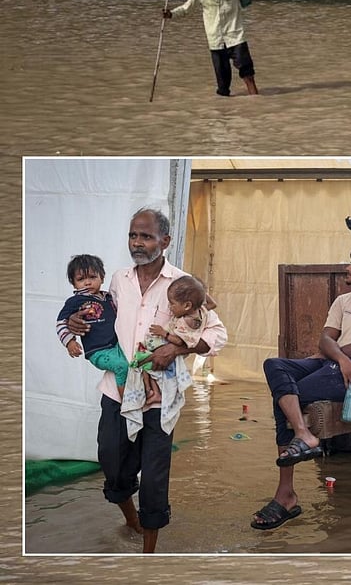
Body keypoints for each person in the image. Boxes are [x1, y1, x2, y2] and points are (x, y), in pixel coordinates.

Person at [65, 208, 227, 553]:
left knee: (154, 477)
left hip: (160, 394)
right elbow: (99, 320)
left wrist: (178, 349)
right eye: (133, 235)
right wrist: (77, 323)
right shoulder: (117, 280)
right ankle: (130, 519)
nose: (137, 243)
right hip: (118, 389)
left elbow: (217, 332)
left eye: (146, 236)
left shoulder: (184, 283)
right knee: (112, 463)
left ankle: (148, 555)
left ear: (165, 241)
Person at [252, 243, 351, 531]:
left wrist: (340, 356)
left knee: (285, 395)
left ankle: (285, 493)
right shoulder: (344, 301)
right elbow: (324, 340)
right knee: (275, 366)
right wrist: (339, 357)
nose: (348, 268)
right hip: (338, 364)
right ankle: (303, 434)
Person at [122, 275, 214, 442]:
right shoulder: (201, 311)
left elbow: (179, 341)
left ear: (187, 305)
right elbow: (212, 304)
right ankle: (153, 391)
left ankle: (152, 391)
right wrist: (199, 292)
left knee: (140, 363)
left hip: (166, 346)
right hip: (189, 309)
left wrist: (163, 333)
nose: (170, 308)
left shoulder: (185, 322)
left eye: (172, 304)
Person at [56, 254, 156, 401]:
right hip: (98, 351)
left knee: (141, 356)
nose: (88, 283)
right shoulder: (75, 301)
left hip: (117, 346)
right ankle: (126, 402)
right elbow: (61, 322)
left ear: (102, 278)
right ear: (73, 283)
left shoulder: (108, 297)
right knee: (122, 366)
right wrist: (70, 342)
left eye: (92, 277)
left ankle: (147, 392)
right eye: (81, 279)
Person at [162, 0, 262, 97]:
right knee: (223, 86)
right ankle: (223, 113)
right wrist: (171, 14)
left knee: (248, 76)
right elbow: (186, 8)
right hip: (215, 42)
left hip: (236, 38)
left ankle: (256, 103)